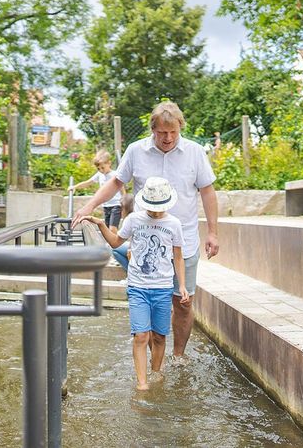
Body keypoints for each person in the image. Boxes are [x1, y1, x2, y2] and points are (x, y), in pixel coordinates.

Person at [72, 101, 219, 358]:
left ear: (180, 128)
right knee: (151, 304)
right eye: (162, 133)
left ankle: (178, 356)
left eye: (173, 132)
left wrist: (213, 232)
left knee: (182, 303)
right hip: (145, 243)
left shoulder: (195, 152)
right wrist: (89, 206)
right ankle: (155, 361)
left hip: (183, 240)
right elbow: (116, 182)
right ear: (153, 129)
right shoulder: (136, 151)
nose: (168, 138)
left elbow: (207, 191)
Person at [80, 177, 189, 390]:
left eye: (160, 209)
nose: (156, 213)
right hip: (138, 286)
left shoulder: (174, 224)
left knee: (159, 336)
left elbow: (178, 256)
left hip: (163, 287)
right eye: (152, 208)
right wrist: (102, 224)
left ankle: (156, 372)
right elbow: (114, 243)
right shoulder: (134, 220)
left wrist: (182, 286)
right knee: (141, 335)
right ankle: (142, 383)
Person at [68, 150, 122, 232]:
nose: (101, 170)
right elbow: (88, 182)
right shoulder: (99, 175)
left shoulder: (114, 174)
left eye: (102, 167)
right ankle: (110, 243)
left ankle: (114, 243)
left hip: (116, 204)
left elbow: (121, 188)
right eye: (98, 168)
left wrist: (124, 200)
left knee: (112, 228)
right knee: (107, 228)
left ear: (109, 163)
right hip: (106, 206)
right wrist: (75, 186)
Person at [112, 193, 135, 270]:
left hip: (135, 248)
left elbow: (116, 241)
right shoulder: (138, 215)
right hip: (137, 246)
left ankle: (131, 274)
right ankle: (131, 274)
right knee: (115, 251)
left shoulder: (130, 218)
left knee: (113, 249)